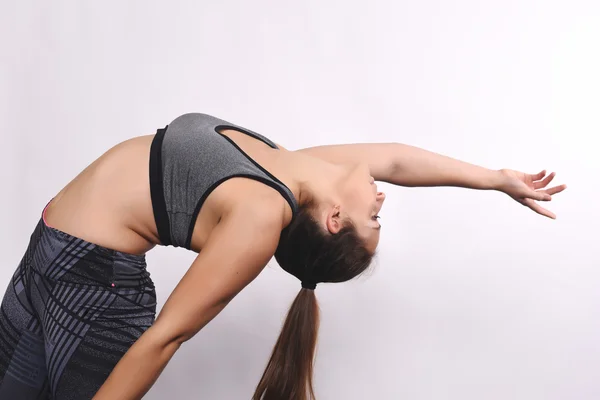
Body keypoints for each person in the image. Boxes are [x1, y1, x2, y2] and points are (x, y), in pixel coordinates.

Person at [0, 113, 566, 400]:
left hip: (94, 293)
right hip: (48, 257)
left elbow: (165, 338)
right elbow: (395, 159)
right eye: (378, 216)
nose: (382, 198)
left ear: (334, 220)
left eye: (375, 217)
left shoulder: (262, 213)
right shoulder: (286, 166)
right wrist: (495, 180)